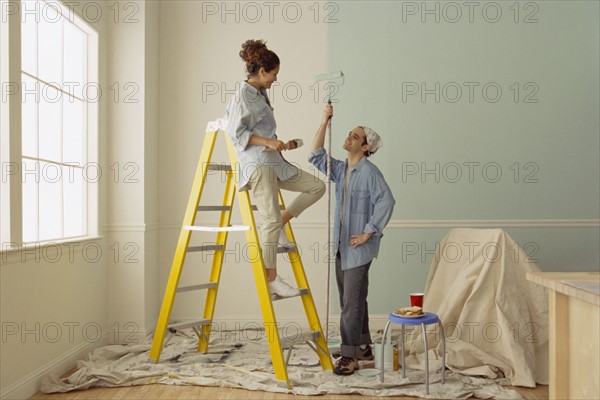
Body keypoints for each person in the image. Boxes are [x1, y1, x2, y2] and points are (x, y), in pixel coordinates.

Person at [226, 39, 326, 298]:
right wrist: (268, 141)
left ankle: (283, 222)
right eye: (274, 75)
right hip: (258, 165)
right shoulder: (242, 97)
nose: (275, 80)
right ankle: (272, 279)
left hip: (274, 162)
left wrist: (281, 143)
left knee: (317, 186)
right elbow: (236, 134)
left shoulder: (260, 92)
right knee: (268, 221)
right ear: (261, 72)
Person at [308, 104, 395, 375]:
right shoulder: (342, 169)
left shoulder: (370, 173)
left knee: (350, 302)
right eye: (349, 134)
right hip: (341, 246)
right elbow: (315, 155)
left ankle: (349, 357)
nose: (349, 137)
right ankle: (363, 345)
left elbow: (387, 201)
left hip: (359, 250)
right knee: (355, 299)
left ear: (366, 147)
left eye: (356, 137)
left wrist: (369, 230)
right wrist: (324, 121)